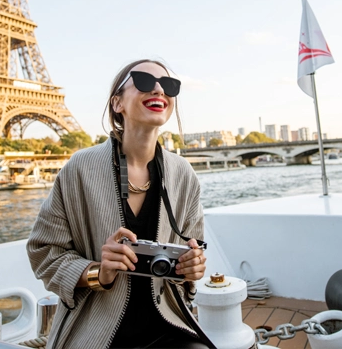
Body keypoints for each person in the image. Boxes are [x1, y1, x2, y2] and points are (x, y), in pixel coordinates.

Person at [27, 60, 211, 349]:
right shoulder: (80, 168)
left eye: (169, 85)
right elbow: (44, 252)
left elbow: (191, 252)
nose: (159, 90)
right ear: (117, 103)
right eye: (144, 81)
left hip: (168, 325)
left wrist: (191, 267)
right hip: (94, 330)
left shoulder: (183, 174)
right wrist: (98, 272)